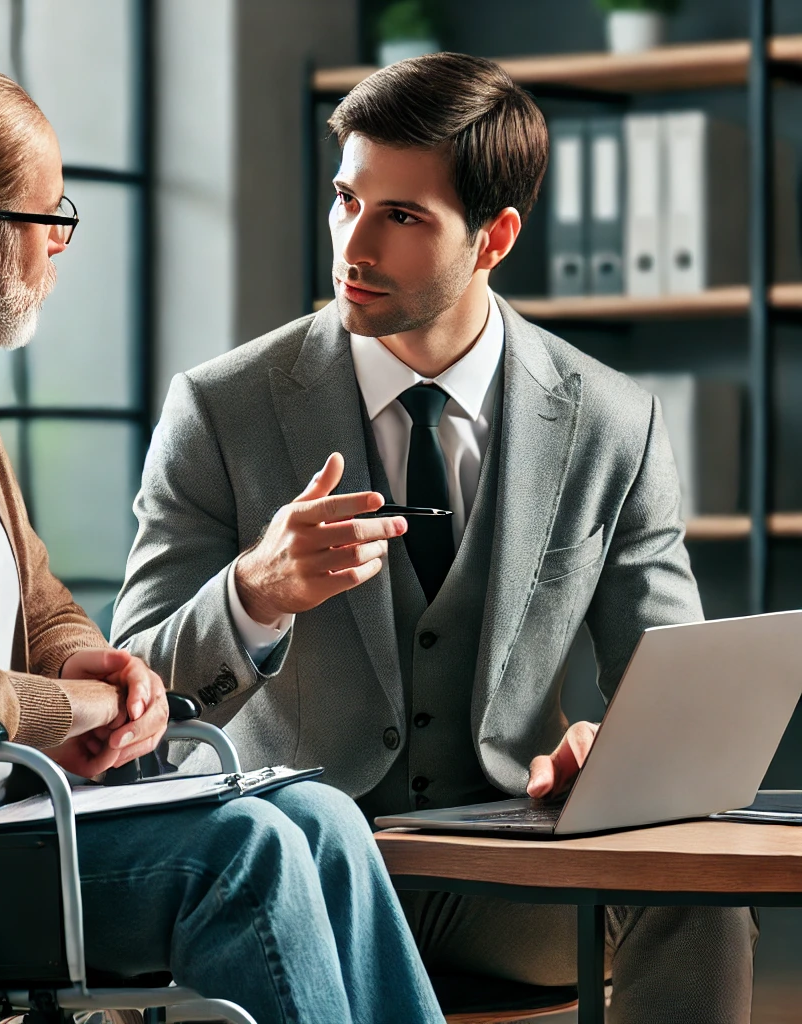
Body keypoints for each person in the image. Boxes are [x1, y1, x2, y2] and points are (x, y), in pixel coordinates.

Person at [0, 57, 445, 1024]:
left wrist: (85, 663)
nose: (60, 250)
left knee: (324, 819)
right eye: (51, 222)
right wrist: (40, 705)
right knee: (250, 856)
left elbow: (37, 602)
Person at [113, 52, 757, 1022]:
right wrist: (254, 594)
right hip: (301, 868)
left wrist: (613, 745)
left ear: (493, 236)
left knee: (700, 890)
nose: (351, 244)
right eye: (344, 198)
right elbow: (128, 691)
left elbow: (671, 693)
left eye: (400, 215)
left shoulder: (612, 420)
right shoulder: (222, 408)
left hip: (507, 881)